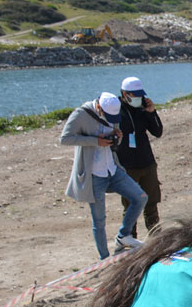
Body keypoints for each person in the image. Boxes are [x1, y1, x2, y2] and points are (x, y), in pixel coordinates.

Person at [60, 92, 147, 259]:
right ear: (99, 106)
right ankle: (105, 258)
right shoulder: (81, 114)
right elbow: (65, 139)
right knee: (99, 220)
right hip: (94, 174)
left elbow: (114, 140)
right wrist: (95, 141)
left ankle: (123, 236)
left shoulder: (112, 112)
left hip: (112, 169)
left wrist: (117, 138)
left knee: (140, 197)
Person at [114, 76, 164, 239]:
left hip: (147, 163)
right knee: (130, 206)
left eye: (139, 95)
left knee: (151, 204)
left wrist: (151, 113)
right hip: (127, 166)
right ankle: (130, 240)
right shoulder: (116, 110)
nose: (137, 98)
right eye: (133, 95)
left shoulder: (143, 108)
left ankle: (156, 238)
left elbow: (157, 132)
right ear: (124, 94)